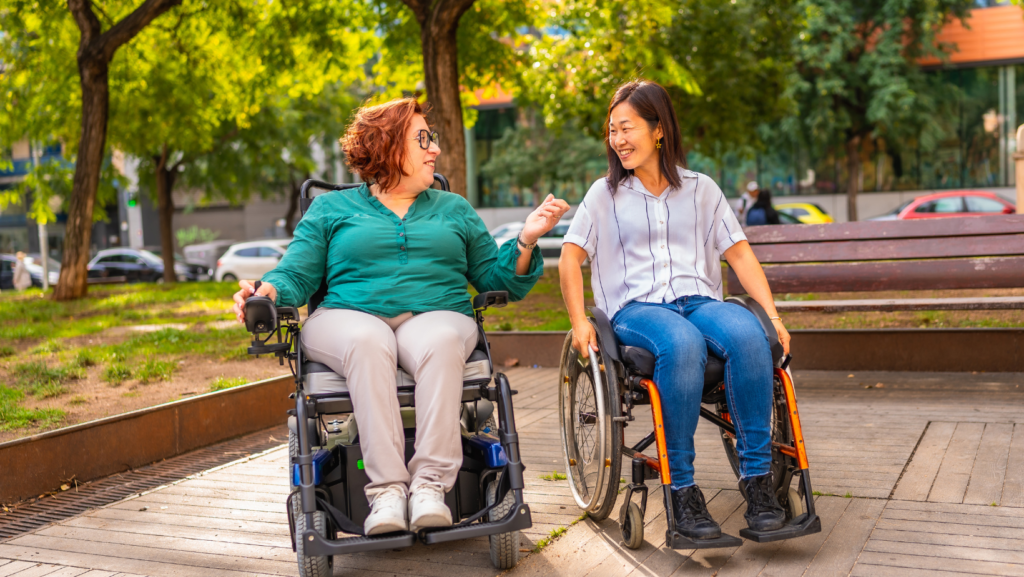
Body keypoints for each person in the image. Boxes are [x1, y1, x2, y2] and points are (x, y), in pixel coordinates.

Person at [232, 97, 568, 536]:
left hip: (434, 315)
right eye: (423, 139)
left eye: (433, 139)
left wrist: (526, 239)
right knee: (368, 341)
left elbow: (496, 278)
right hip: (347, 317)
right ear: (388, 145)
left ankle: (429, 487)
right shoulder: (331, 210)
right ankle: (388, 492)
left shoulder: (454, 209)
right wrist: (265, 292)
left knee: (442, 341)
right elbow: (296, 273)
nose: (435, 149)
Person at [559, 80, 792, 540]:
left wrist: (774, 316)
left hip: (698, 300)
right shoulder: (604, 195)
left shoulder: (702, 189)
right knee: (682, 344)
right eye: (612, 130)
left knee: (749, 336)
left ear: (659, 129)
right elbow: (570, 257)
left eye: (627, 128)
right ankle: (682, 491)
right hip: (636, 311)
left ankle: (758, 482)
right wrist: (578, 321)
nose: (618, 139)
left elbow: (739, 254)